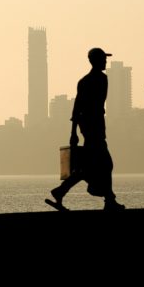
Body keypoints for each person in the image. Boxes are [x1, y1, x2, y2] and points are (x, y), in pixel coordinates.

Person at [46, 47, 125, 211]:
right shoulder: (91, 81)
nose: (105, 62)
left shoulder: (96, 79)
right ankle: (109, 200)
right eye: (103, 59)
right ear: (94, 61)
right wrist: (73, 132)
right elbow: (77, 108)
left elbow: (80, 108)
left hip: (93, 127)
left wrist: (75, 131)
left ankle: (61, 191)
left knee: (89, 168)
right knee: (105, 164)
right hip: (92, 128)